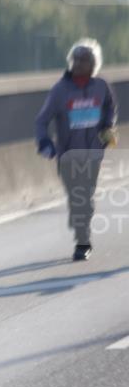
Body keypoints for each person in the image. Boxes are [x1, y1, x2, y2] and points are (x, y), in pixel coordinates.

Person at [34, 38, 119, 261]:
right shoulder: (60, 90)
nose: (79, 63)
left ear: (94, 64)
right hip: (67, 155)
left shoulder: (101, 87)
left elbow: (110, 107)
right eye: (76, 59)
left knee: (85, 196)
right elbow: (41, 120)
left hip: (92, 153)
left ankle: (83, 242)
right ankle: (79, 221)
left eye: (84, 59)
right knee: (76, 196)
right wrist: (44, 142)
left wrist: (108, 127)